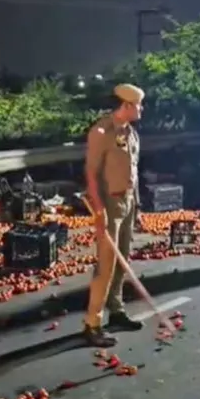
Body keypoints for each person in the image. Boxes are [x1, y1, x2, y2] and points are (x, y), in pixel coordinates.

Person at [82, 83, 144, 347]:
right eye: (139, 105)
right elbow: (91, 175)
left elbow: (133, 172)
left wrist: (137, 206)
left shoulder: (131, 134)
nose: (142, 109)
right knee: (105, 265)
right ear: (127, 105)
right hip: (108, 205)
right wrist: (98, 211)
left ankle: (116, 310)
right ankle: (92, 323)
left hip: (127, 203)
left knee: (122, 261)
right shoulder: (100, 132)